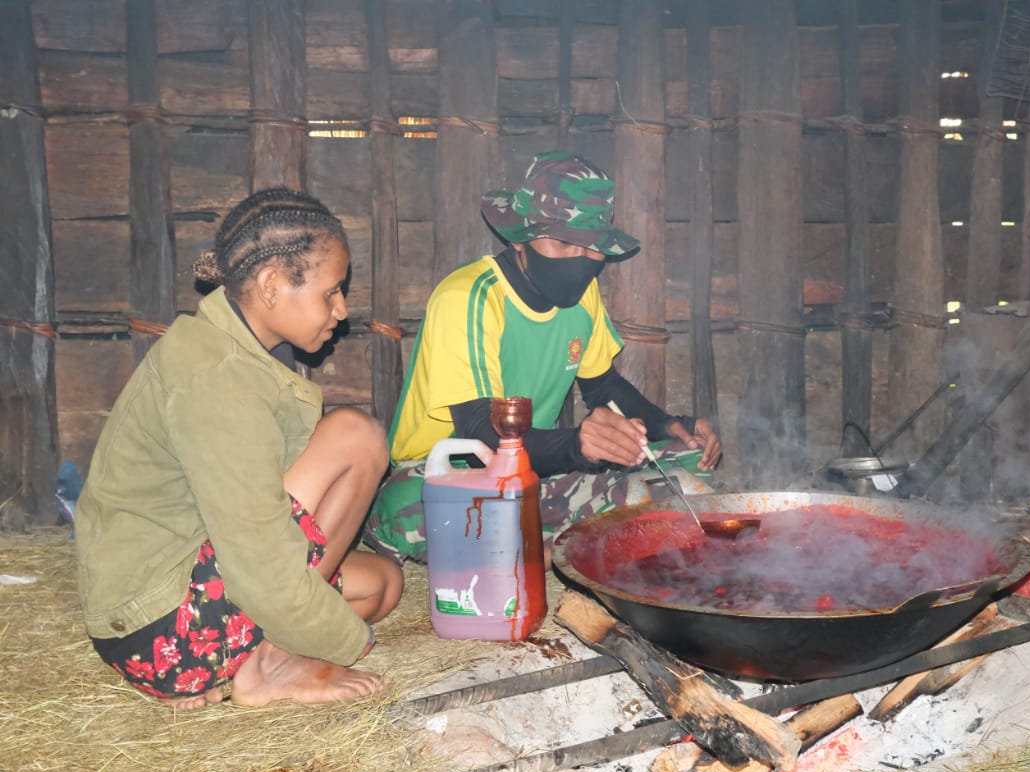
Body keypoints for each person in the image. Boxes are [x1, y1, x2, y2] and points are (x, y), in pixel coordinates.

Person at [75, 187, 404, 710]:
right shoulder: (215, 375)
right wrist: (351, 643)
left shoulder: (237, 353)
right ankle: (264, 663)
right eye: (330, 292)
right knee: (355, 436)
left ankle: (229, 664)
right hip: (157, 627)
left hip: (175, 615)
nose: (341, 310)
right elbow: (256, 556)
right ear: (272, 285)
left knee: (384, 584)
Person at [366, 151, 722, 563]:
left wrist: (671, 424)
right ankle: (575, 528)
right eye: (563, 242)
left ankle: (552, 532)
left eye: (592, 248)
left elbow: (602, 385)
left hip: (538, 466)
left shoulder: (583, 296)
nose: (580, 260)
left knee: (688, 461)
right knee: (407, 504)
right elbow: (480, 429)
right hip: (451, 471)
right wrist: (578, 447)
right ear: (520, 237)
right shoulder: (469, 296)